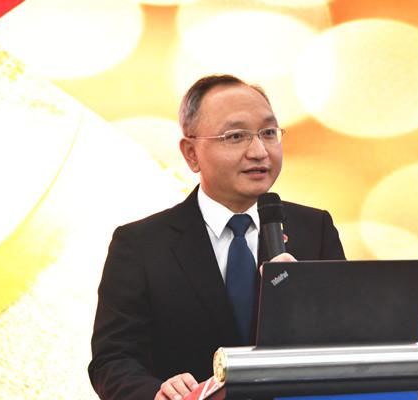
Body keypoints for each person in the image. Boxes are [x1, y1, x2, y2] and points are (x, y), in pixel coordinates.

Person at [88, 74, 345, 400]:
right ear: (191, 153)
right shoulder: (140, 245)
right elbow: (112, 360)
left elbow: (347, 341)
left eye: (268, 133)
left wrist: (304, 307)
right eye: (235, 136)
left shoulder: (315, 229)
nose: (259, 151)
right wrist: (157, 393)